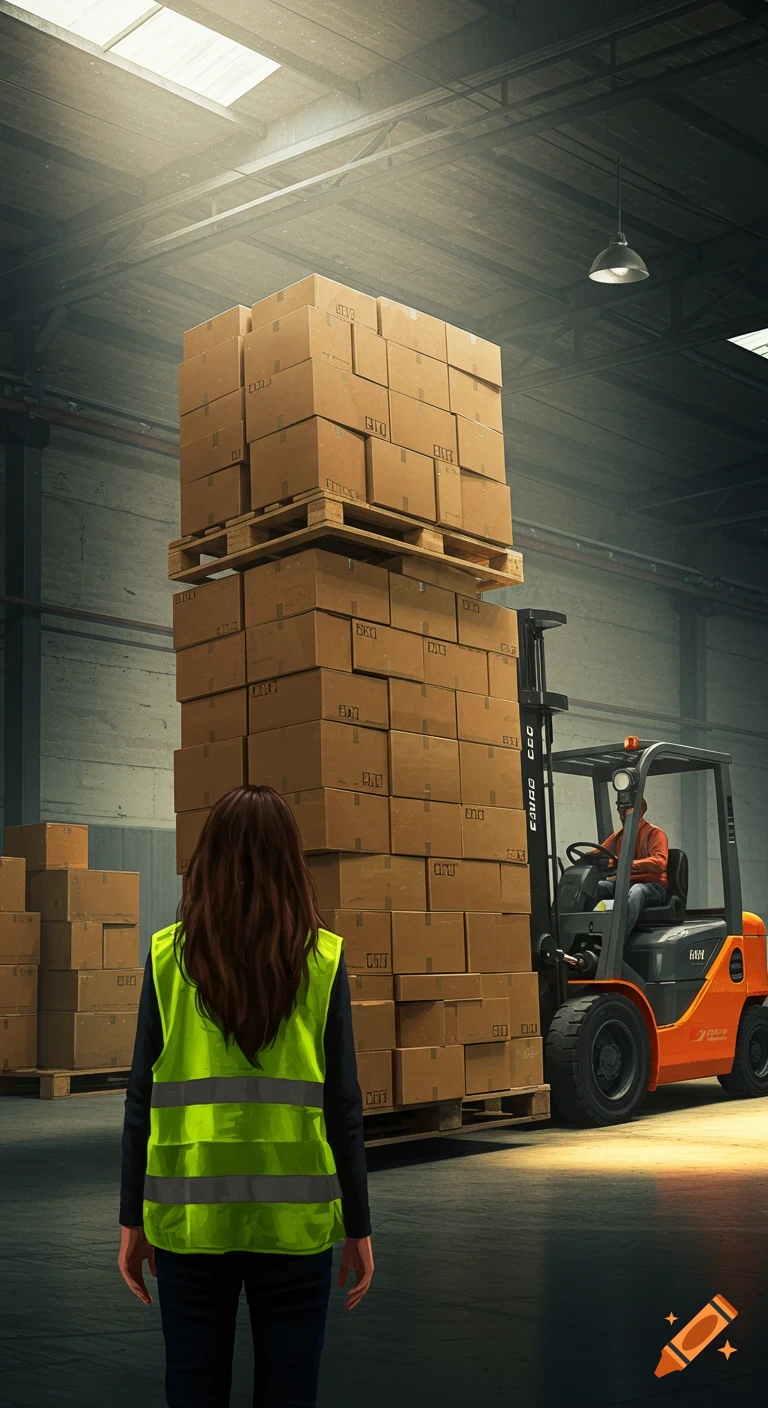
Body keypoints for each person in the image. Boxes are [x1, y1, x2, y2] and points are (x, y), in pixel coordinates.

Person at [117, 785, 373, 1408]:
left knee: (194, 1391)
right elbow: (343, 1104)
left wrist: (132, 1220)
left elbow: (140, 1100)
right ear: (291, 863)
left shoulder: (166, 958)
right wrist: (359, 1228)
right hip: (294, 1230)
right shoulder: (322, 960)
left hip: (189, 1226)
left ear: (210, 861)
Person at [595, 797, 668, 938]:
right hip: (625, 884)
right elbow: (599, 851)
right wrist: (586, 857)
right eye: (619, 811)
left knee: (637, 890)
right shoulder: (619, 835)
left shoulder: (655, 834)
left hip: (654, 887)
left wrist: (625, 863)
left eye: (625, 812)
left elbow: (660, 863)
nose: (622, 816)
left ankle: (617, 944)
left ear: (638, 811)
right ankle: (584, 938)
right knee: (597, 886)